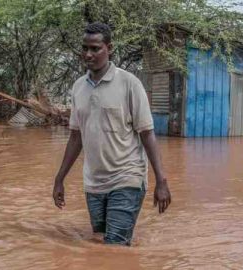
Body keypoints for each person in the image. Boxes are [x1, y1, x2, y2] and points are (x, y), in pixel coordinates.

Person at [53, 22, 171, 246]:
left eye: (95, 48)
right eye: (85, 48)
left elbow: (147, 134)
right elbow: (76, 137)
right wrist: (59, 179)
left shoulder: (129, 84)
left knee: (114, 245)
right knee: (99, 242)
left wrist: (161, 181)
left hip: (127, 177)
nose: (88, 54)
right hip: (94, 182)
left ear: (109, 48)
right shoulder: (78, 87)